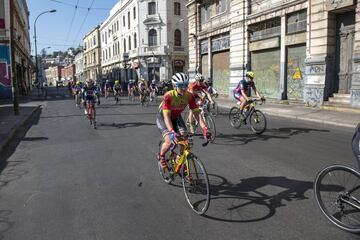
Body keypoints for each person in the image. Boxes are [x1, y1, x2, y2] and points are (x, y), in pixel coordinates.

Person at [156, 72, 211, 169]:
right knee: (169, 141)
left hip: (176, 117)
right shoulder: (168, 96)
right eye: (180, 86)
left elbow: (197, 114)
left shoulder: (189, 96)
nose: (184, 88)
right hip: (164, 118)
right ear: (174, 86)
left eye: (185, 85)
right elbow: (167, 116)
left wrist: (205, 128)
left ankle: (180, 159)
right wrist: (172, 131)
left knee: (185, 140)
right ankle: (161, 156)